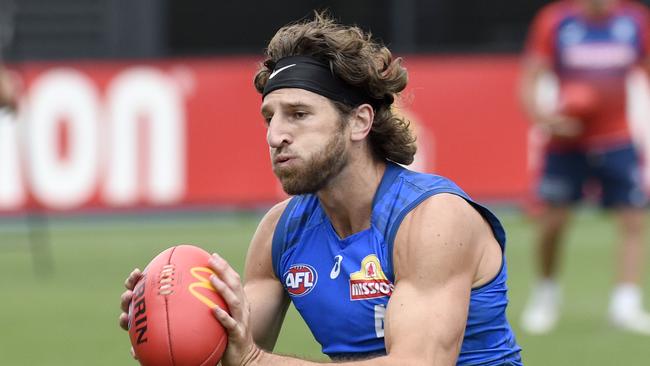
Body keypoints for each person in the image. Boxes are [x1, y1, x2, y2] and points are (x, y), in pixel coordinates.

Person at [120, 13, 522, 365]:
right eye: (269, 118)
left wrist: (257, 362)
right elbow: (231, 353)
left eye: (298, 114)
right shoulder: (281, 231)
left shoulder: (433, 219)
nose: (276, 135)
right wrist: (171, 330)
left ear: (360, 122)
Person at [520, 0, 650, 335]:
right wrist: (544, 119)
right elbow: (531, 77)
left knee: (633, 218)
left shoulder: (634, 21)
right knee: (553, 222)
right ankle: (546, 295)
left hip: (617, 139)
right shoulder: (556, 21)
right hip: (567, 142)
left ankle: (626, 302)